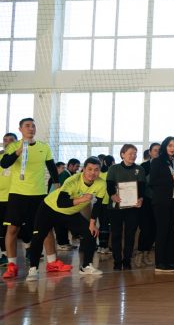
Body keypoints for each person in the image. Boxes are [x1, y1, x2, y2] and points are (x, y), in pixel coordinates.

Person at [26, 157, 107, 278]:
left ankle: (86, 266)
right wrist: (81, 199)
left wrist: (92, 223)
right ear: (84, 169)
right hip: (50, 208)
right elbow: (61, 202)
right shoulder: (72, 180)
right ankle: (33, 269)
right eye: (90, 169)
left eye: (96, 170)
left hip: (70, 212)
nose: (92, 173)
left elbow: (98, 204)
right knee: (39, 236)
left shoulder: (101, 183)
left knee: (90, 232)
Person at [1, 118, 60, 280]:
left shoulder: (43, 147)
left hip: (39, 194)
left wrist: (57, 186)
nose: (31, 128)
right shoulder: (13, 146)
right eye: (27, 126)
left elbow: (51, 167)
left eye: (33, 126)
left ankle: (52, 262)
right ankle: (12, 265)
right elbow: (4, 163)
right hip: (18, 194)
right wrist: (18, 151)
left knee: (45, 228)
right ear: (20, 129)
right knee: (12, 229)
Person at [106, 144, 146, 270]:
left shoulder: (140, 169)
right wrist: (112, 195)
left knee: (130, 235)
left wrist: (141, 198)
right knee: (116, 234)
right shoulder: (113, 168)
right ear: (122, 154)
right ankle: (117, 261)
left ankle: (127, 260)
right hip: (116, 208)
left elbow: (142, 188)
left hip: (132, 208)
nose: (133, 156)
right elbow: (109, 185)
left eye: (135, 153)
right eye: (130, 153)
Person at [149, 136, 174, 273]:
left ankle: (169, 260)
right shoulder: (157, 161)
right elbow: (153, 181)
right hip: (161, 202)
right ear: (164, 147)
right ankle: (160, 263)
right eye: (170, 145)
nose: (172, 148)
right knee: (162, 231)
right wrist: (171, 178)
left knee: (171, 231)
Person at [136, 142, 160, 267]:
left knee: (155, 228)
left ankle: (147, 253)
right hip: (145, 201)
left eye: (159, 150)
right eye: (155, 150)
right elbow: (140, 183)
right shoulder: (143, 166)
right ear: (150, 152)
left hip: (159, 202)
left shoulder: (164, 165)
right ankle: (140, 253)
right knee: (146, 228)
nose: (157, 152)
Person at [0, 133, 18, 266]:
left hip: (15, 197)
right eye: (5, 140)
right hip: (1, 198)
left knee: (16, 228)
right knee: (2, 229)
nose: (7, 142)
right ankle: (4, 254)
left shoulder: (20, 157)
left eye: (11, 140)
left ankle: (29, 249)